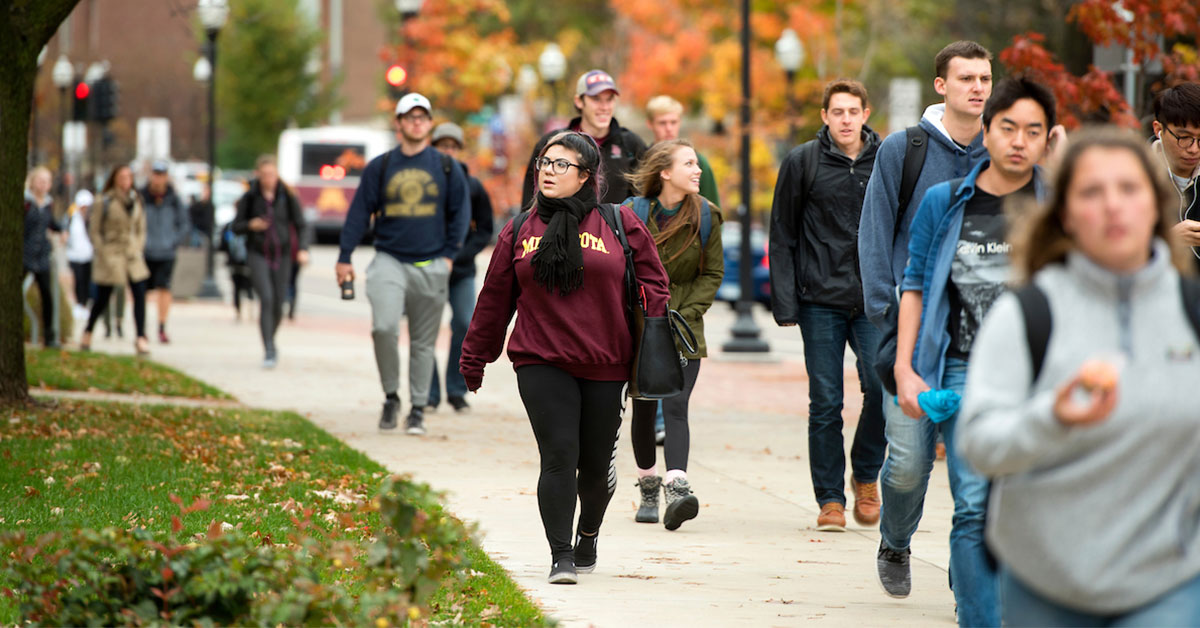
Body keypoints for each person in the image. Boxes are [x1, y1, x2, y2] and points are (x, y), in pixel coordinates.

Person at [958, 127, 1200, 626]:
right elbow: (978, 443)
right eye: (1092, 192)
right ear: (1065, 214)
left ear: (1156, 205)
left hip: (1167, 580)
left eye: (1129, 189)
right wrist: (1051, 416)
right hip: (1046, 579)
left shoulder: (1191, 312)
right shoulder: (1028, 313)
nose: (1113, 206)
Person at [461, 131, 669, 584]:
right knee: (559, 455)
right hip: (541, 360)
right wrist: (474, 357)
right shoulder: (520, 229)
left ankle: (588, 535)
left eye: (561, 165)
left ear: (586, 177)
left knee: (594, 468)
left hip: (605, 362)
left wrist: (652, 326)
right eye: (545, 162)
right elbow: (495, 298)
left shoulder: (619, 223)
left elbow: (656, 284)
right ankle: (560, 555)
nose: (549, 171)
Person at [893, 76, 1056, 627]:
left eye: (1032, 131)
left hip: (1041, 375)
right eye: (1007, 127)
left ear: (1046, 141)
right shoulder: (945, 202)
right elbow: (914, 284)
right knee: (974, 503)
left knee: (1027, 507)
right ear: (985, 132)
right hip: (963, 369)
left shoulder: (1059, 206)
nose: (1018, 141)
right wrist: (906, 368)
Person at [857, 39, 992, 599]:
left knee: (974, 471)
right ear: (941, 85)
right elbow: (874, 232)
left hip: (984, 339)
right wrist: (885, 314)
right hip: (911, 335)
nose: (978, 87)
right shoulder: (903, 149)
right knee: (910, 463)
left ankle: (971, 579)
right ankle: (895, 539)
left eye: (985, 78)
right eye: (966, 78)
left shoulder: (1001, 154)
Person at [769, 79, 884, 532]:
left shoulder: (886, 159)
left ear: (866, 113)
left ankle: (866, 473)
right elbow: (782, 232)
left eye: (853, 111)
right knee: (826, 401)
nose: (845, 119)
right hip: (819, 298)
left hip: (873, 298)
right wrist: (785, 301)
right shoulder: (802, 161)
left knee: (882, 385)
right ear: (825, 116)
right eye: (837, 112)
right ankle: (831, 499)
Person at [337, 93, 470, 435]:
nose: (416, 122)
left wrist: (448, 256)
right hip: (388, 260)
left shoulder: (445, 166)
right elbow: (357, 215)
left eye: (422, 117)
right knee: (384, 328)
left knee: (424, 343)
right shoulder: (380, 167)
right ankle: (392, 396)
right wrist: (344, 256)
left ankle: (417, 409)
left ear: (429, 124)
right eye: (409, 117)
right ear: (398, 123)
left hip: (431, 264)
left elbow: (460, 212)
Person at [622, 139, 723, 531]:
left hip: (683, 326)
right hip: (641, 323)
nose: (698, 170)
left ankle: (676, 486)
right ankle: (648, 484)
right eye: (689, 163)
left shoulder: (708, 216)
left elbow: (712, 274)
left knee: (677, 405)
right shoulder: (632, 214)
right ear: (665, 172)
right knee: (645, 406)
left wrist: (685, 312)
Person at [426, 122, 495, 414]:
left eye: (452, 147)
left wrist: (462, 255)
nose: (448, 151)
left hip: (461, 271)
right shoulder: (423, 183)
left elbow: (485, 229)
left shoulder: (472, 185)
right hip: (427, 268)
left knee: (465, 323)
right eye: (443, 146)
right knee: (424, 331)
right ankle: (427, 394)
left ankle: (455, 390)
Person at [521, 70, 648, 206]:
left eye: (609, 99)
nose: (604, 107)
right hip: (561, 226)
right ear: (579, 101)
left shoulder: (630, 144)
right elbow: (530, 200)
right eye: (596, 99)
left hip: (616, 226)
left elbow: (644, 200)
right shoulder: (552, 144)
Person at [232, 155, 309, 369]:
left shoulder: (286, 196)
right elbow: (235, 226)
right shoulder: (250, 197)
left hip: (282, 254)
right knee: (266, 298)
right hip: (257, 253)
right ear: (258, 175)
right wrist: (251, 225)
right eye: (265, 175)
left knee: (278, 303)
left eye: (272, 174)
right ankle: (269, 348)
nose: (269, 179)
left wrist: (303, 249)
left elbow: (302, 224)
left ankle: (271, 339)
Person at [81, 164, 150, 355]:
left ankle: (141, 337)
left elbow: (141, 228)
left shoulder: (136, 200)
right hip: (112, 254)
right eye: (122, 176)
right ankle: (88, 331)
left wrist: (138, 246)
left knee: (140, 294)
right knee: (103, 297)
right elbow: (94, 231)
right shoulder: (103, 201)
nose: (126, 180)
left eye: (129, 176)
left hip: (132, 254)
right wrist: (102, 252)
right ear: (114, 178)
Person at [140, 160, 190, 344]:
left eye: (162, 174)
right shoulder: (142, 197)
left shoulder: (174, 199)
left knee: (164, 288)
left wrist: (173, 242)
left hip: (167, 251)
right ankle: (141, 328)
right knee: (142, 290)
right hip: (146, 251)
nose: (158, 178)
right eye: (155, 173)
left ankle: (161, 327)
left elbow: (184, 224)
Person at [1153, 83, 1200, 265]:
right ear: (1158, 130)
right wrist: (1167, 239)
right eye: (1184, 138)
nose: (1194, 149)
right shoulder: (1133, 177)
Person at [645, 95, 720, 206]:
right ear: (650, 124)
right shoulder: (642, 159)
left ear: (680, 122)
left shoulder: (698, 162)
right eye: (662, 123)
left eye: (673, 122)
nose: (669, 128)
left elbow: (713, 208)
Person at [23, 166, 63, 348]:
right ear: (33, 181)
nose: (44, 184)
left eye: (47, 181)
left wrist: (62, 231)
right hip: (24, 255)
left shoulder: (48, 203)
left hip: (42, 257)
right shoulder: (25, 201)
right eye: (41, 180)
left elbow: (52, 224)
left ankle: (49, 336)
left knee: (47, 295)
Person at [65, 189, 96, 321]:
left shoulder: (92, 218)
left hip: (89, 255)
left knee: (87, 280)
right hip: (75, 254)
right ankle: (79, 304)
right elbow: (67, 230)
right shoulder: (72, 216)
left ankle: (86, 303)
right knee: (78, 280)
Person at [219, 221, 254, 321]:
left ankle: (239, 312)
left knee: (236, 288)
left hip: (233, 261)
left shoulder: (230, 225)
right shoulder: (251, 225)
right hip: (248, 261)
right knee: (249, 287)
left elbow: (223, 244)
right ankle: (249, 312)